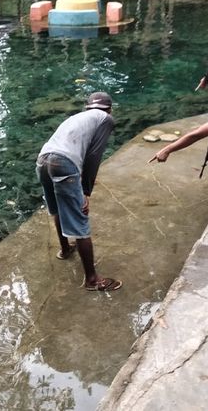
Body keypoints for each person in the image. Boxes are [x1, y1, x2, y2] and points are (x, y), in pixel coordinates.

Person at [36, 92, 122, 292]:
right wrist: (86, 191)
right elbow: (94, 156)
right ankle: (92, 280)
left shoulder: (76, 117)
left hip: (43, 159)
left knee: (57, 208)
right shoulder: (106, 119)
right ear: (109, 108)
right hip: (63, 162)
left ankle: (65, 250)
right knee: (80, 219)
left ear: (88, 107)